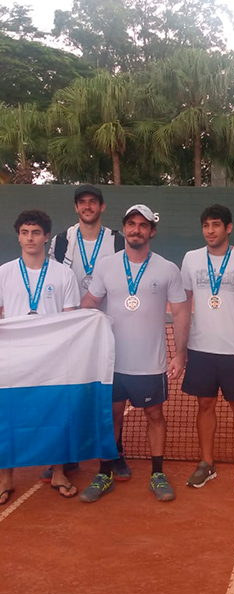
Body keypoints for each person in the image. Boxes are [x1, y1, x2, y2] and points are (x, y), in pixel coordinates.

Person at [80, 204, 189, 503]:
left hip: (150, 364)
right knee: (112, 415)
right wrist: (67, 328)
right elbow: (90, 302)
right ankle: (105, 473)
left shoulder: (167, 269)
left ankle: (157, 473)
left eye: (142, 225)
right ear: (124, 228)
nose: (136, 230)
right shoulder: (106, 266)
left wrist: (180, 354)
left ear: (152, 231)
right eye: (131, 224)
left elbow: (181, 312)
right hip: (112, 363)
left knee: (155, 415)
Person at [46, 184, 129, 482]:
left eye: (93, 202)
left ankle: (115, 451)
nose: (88, 206)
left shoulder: (116, 241)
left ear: (102, 207)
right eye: (82, 202)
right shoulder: (61, 242)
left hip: (109, 328)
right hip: (71, 330)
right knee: (71, 392)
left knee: (112, 395)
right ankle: (69, 454)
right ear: (76, 207)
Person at [181, 204, 234, 491]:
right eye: (206, 225)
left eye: (216, 225)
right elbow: (183, 303)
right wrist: (182, 346)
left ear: (228, 228)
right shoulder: (191, 259)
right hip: (200, 348)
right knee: (204, 405)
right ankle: (207, 463)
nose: (210, 231)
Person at [0, 209, 80, 503]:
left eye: (35, 233)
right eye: (24, 233)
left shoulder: (64, 274)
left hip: (52, 361)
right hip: (13, 360)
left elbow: (70, 320)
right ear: (18, 237)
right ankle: (5, 478)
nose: (30, 238)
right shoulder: (4, 273)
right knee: (7, 417)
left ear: (46, 237)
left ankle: (58, 472)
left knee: (56, 415)